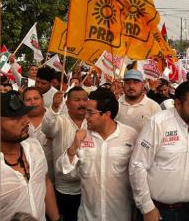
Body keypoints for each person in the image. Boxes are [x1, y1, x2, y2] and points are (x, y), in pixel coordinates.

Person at [56, 89, 138, 221]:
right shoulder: (82, 136)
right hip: (88, 215)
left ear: (106, 114)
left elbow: (137, 175)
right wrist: (73, 147)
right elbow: (63, 170)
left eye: (90, 112)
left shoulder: (130, 136)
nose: (85, 116)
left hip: (120, 214)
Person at [129, 81, 189, 221]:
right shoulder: (158, 123)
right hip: (158, 211)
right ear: (178, 104)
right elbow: (137, 166)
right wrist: (147, 208)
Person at [0, 91, 60, 221]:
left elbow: (44, 181)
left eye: (25, 114)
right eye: (15, 117)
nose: (26, 120)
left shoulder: (34, 146)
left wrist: (56, 218)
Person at [42, 86, 88, 221]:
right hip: (64, 188)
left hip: (88, 187)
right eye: (77, 100)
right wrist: (54, 107)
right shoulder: (60, 120)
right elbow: (47, 129)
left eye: (85, 100)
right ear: (67, 104)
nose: (82, 103)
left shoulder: (92, 122)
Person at [23, 87, 55, 182]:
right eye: (28, 99)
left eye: (36, 98)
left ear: (42, 99)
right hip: (27, 181)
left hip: (52, 179)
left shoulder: (55, 118)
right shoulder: (18, 122)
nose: (33, 102)